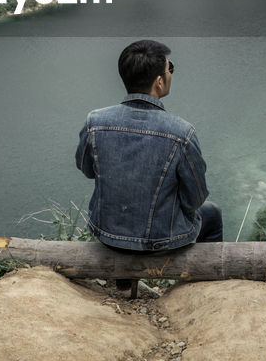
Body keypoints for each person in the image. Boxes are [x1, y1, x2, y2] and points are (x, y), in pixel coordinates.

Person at [75, 40, 223, 258]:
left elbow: (87, 169)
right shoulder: (182, 133)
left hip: (106, 235)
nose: (171, 73)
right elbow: (195, 198)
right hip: (159, 242)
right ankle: (203, 282)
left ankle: (124, 280)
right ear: (159, 82)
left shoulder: (94, 122)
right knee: (212, 213)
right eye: (169, 68)